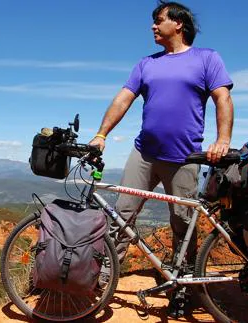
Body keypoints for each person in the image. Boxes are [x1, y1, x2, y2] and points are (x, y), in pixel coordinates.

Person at [89, 1, 234, 317]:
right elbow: (124, 98)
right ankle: (101, 281)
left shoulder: (207, 58)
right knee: (120, 217)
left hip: (184, 158)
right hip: (144, 153)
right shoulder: (146, 64)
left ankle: (183, 288)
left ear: (178, 24)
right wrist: (101, 134)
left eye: (159, 21)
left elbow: (223, 97)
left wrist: (223, 140)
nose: (153, 26)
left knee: (182, 224)